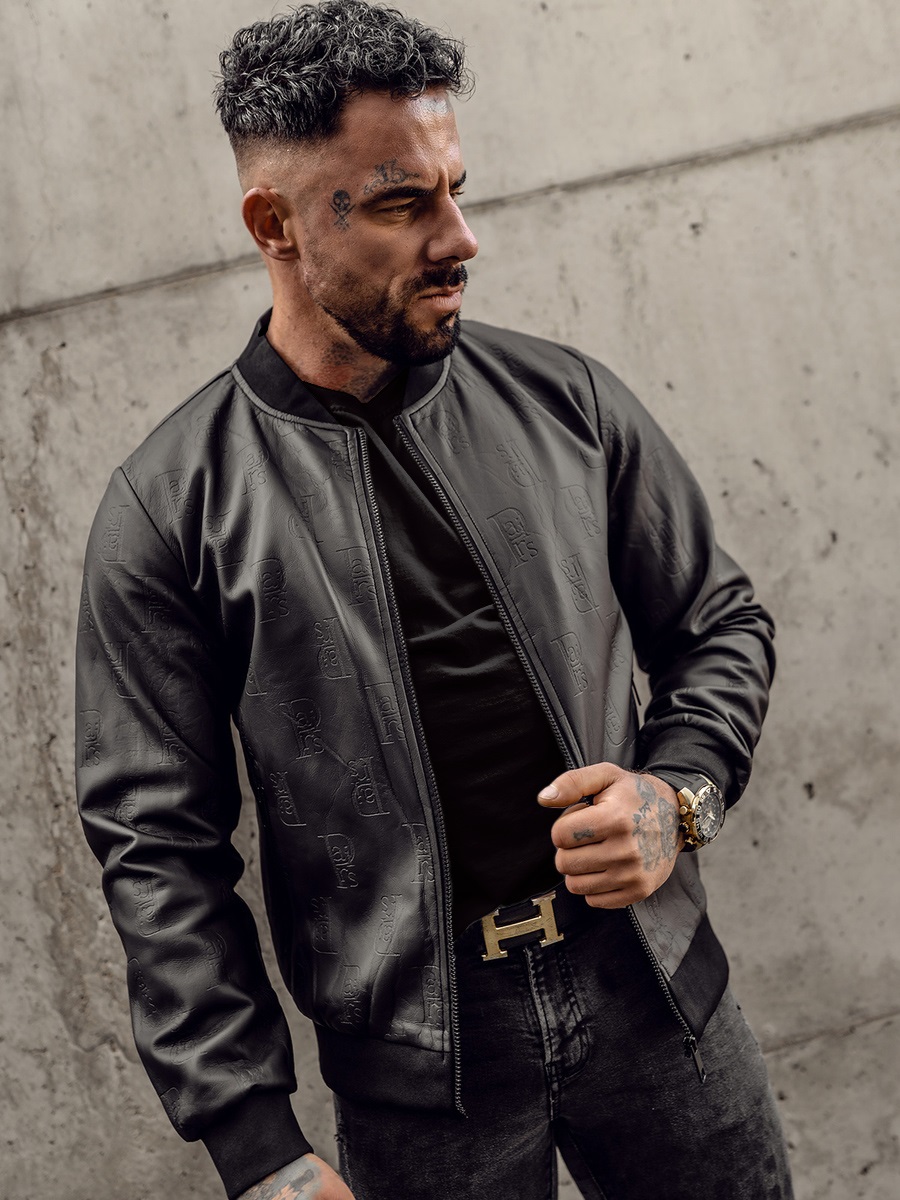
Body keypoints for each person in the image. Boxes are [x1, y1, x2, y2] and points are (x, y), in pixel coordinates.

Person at [75, 3, 793, 1197]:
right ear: (276, 225)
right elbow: (157, 847)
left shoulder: (567, 402)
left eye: (457, 189)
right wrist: (258, 1148)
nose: (461, 237)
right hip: (424, 1080)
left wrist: (678, 798)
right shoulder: (170, 509)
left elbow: (721, 625)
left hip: (659, 1002)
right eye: (403, 202)